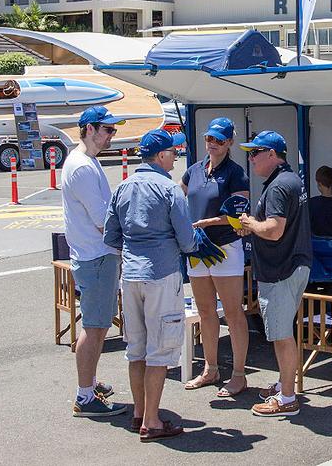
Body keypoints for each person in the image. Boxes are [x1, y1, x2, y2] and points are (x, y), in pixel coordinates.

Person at [103, 128, 197, 442]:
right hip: (161, 272)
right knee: (161, 349)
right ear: (160, 156)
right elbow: (187, 241)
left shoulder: (124, 186)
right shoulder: (170, 190)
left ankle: (140, 413)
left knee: (136, 349)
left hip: (130, 275)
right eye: (173, 152)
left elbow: (110, 236)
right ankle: (153, 422)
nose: (176, 156)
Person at [237, 130, 311, 417]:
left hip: (281, 270)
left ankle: (288, 398)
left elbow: (274, 229)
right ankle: (284, 384)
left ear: (272, 155)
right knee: (283, 332)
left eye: (255, 153)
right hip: (290, 266)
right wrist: (255, 224)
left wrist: (249, 223)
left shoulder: (279, 186)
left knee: (281, 335)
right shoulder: (290, 179)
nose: (251, 158)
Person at [61, 105, 126, 418]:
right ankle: (85, 396)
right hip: (96, 256)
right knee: (95, 326)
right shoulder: (83, 167)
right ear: (89, 129)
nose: (111, 134)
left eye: (112, 130)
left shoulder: (85, 162)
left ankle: (90, 385)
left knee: (97, 325)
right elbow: (103, 219)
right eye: (107, 129)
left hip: (94, 255)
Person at [180, 117, 251, 396]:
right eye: (210, 138)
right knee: (206, 311)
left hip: (225, 248)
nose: (213, 144)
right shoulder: (194, 170)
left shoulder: (236, 173)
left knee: (233, 313)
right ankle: (210, 369)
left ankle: (238, 374)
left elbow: (240, 217)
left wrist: (207, 223)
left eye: (220, 140)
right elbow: (179, 201)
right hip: (197, 249)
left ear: (230, 142)